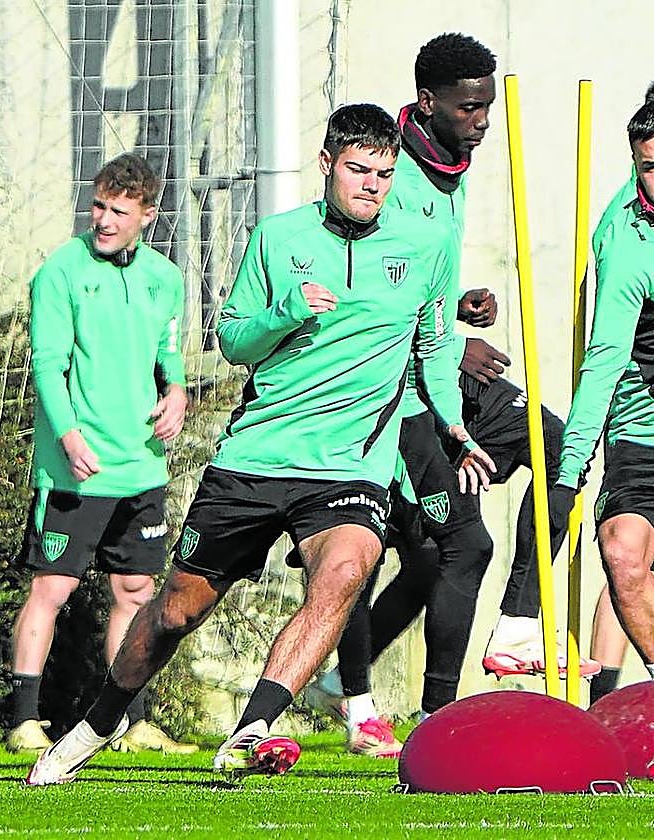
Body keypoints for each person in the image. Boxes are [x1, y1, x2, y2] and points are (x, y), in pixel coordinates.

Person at [26, 103, 493, 785]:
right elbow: (235, 341)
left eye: (385, 174)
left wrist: (452, 423)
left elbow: (432, 344)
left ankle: (253, 728)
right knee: (176, 610)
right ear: (328, 163)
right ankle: (95, 724)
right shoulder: (278, 238)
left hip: (351, 463)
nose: (372, 185)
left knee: (343, 571)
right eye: (359, 170)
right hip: (258, 457)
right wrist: (288, 310)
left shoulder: (427, 246)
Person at [305, 34, 596, 755]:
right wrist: (455, 344)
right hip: (398, 397)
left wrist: (458, 309)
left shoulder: (450, 174)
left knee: (562, 448)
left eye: (489, 107)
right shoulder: (391, 175)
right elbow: (361, 295)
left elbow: (417, 284)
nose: (484, 121)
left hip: (451, 380)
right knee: (452, 548)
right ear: (428, 103)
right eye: (470, 107)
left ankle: (518, 624)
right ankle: (426, 715)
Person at [6, 153, 194, 756]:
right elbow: (47, 364)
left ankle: (129, 723)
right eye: (99, 207)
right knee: (52, 589)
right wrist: (66, 434)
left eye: (119, 210)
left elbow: (167, 351)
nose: (105, 220)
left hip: (140, 464)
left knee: (136, 592)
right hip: (76, 467)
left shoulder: (164, 278)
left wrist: (177, 390)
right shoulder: (60, 272)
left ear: (147, 214)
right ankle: (24, 721)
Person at [553, 97, 654, 700]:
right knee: (622, 555)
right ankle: (605, 700)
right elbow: (606, 358)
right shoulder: (626, 237)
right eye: (646, 167)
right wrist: (571, 467)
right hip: (640, 427)